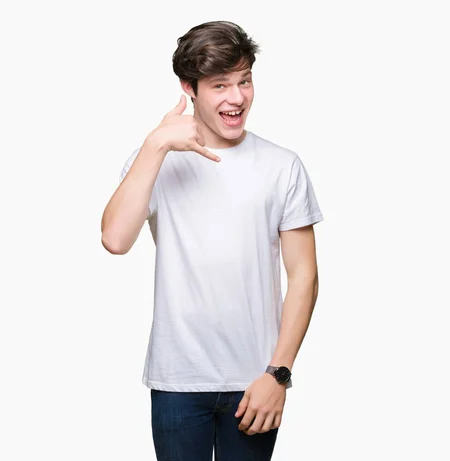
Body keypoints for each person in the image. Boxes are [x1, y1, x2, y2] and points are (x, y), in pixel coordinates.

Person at [100, 20, 324, 461]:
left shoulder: (282, 165)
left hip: (255, 382)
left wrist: (278, 375)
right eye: (220, 85)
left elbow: (304, 276)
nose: (237, 97)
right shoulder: (157, 158)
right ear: (190, 88)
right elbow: (115, 238)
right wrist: (157, 143)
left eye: (244, 81)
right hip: (178, 380)